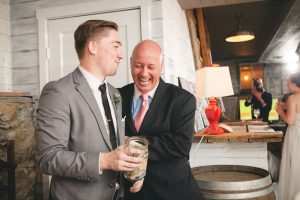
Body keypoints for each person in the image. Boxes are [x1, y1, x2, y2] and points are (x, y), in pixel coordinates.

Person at [36, 20, 144, 200]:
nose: (121, 55)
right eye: (116, 46)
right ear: (93, 47)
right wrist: (103, 161)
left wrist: (133, 171)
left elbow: (111, 144)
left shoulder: (113, 93)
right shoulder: (58, 92)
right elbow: (47, 158)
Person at [119, 40, 204, 200]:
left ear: (161, 66)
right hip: (130, 193)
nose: (144, 73)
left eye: (151, 67)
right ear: (130, 63)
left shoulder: (183, 99)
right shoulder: (117, 96)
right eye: (138, 65)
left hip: (172, 192)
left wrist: (132, 142)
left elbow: (180, 145)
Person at [276, 72, 300, 200]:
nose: (287, 84)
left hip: (295, 134)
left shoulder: (293, 98)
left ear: (295, 83)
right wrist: (285, 106)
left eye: (288, 81)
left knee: (294, 164)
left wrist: (280, 111)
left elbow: (290, 121)